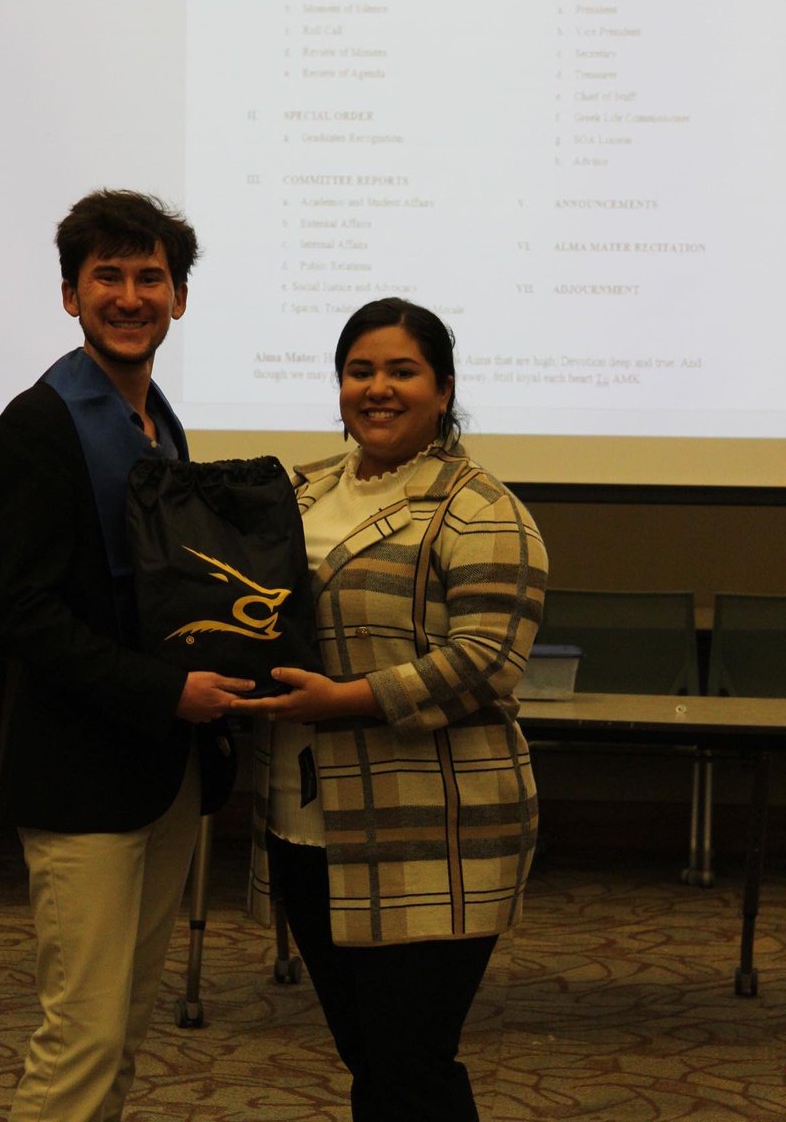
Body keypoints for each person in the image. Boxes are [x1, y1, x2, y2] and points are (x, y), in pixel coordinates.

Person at [234, 298, 548, 1122]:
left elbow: (487, 661)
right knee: (370, 1061)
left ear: (443, 390)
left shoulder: (483, 509)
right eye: (360, 370)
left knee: (411, 1065)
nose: (377, 388)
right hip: (304, 822)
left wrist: (346, 700)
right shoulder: (293, 493)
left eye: (402, 371)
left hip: (434, 828)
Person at [0, 189, 253, 1122]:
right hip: (83, 775)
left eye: (150, 277)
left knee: (125, 1026)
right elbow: (26, 616)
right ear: (71, 295)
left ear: (180, 298)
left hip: (163, 770)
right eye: (108, 277)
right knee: (82, 1040)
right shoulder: (42, 421)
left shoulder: (158, 425)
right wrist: (167, 690)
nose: (130, 297)